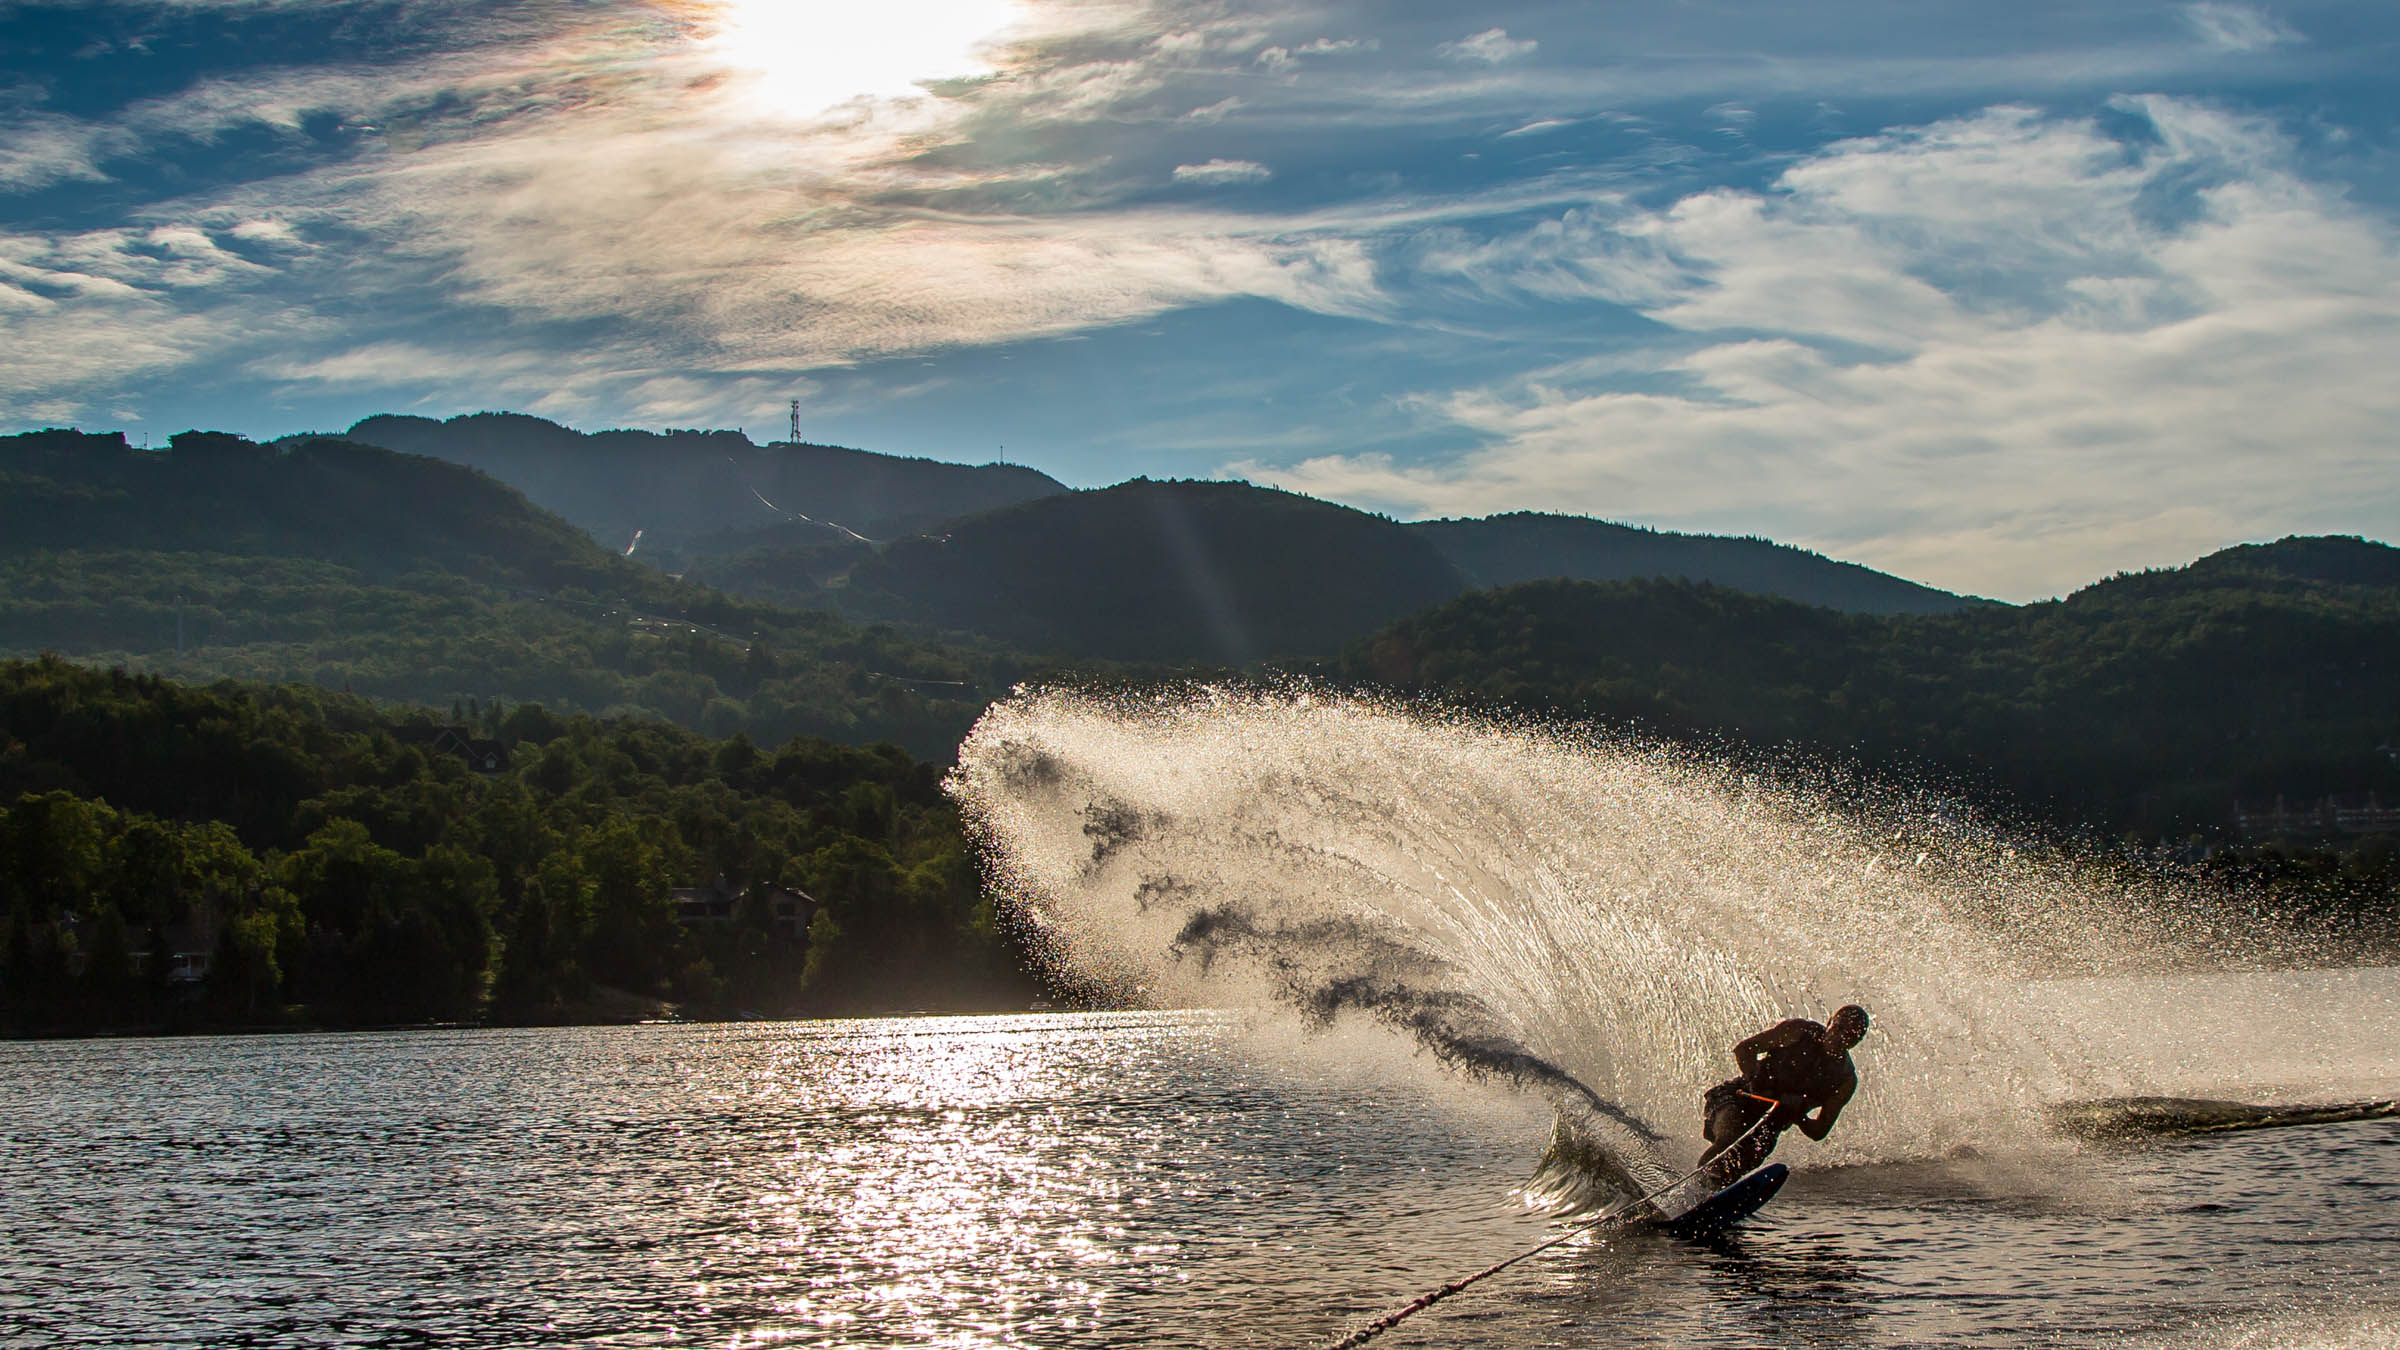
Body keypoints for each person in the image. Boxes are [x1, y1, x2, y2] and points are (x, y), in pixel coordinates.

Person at [1698, 1004, 1870, 1186]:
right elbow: (1745, 1049)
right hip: (1736, 1098)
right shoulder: (1798, 1031)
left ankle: (1705, 1198)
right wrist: (1755, 1083)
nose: (1841, 1037)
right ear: (1829, 1022)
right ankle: (1691, 1188)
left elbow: (1819, 1131)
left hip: (1770, 1124)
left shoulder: (1844, 1080)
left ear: (1856, 1042)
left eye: (1850, 1035)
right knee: (1730, 1139)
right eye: (1839, 1028)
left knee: (1742, 1162)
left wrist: (1797, 1114)